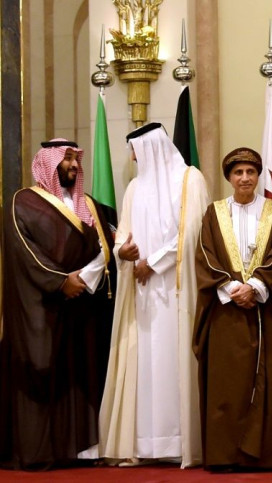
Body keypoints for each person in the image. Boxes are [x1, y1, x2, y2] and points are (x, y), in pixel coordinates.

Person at [98, 123, 209, 467]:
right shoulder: (134, 188)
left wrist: (154, 263)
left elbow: (193, 232)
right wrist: (124, 254)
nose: (132, 156)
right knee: (144, 362)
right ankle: (145, 444)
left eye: (134, 149)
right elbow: (122, 235)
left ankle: (180, 444)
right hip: (141, 294)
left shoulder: (190, 179)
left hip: (177, 291)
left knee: (173, 360)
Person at [0, 139, 115, 469]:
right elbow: (24, 252)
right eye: (66, 160)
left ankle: (77, 450)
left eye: (76, 160)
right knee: (41, 373)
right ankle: (38, 453)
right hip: (41, 305)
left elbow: (104, 246)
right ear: (48, 163)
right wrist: (60, 281)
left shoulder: (88, 204)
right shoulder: (23, 201)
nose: (74, 166)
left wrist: (85, 279)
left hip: (82, 305)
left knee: (80, 374)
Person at [193, 148, 272, 471]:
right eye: (238, 173)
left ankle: (265, 457)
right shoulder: (214, 213)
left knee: (268, 384)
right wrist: (232, 289)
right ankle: (225, 455)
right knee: (227, 386)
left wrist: (256, 287)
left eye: (250, 172)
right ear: (229, 178)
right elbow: (206, 256)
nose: (245, 178)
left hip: (264, 310)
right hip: (227, 312)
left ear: (258, 175)